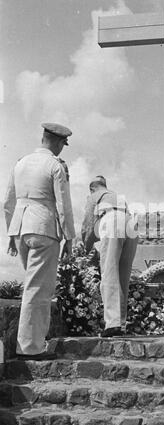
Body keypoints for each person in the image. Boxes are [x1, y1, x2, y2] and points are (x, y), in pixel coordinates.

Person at [4, 123, 76, 360]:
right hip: (44, 229)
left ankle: (31, 343)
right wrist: (69, 237)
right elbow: (63, 206)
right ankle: (30, 348)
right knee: (39, 289)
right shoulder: (55, 165)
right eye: (63, 145)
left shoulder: (21, 162)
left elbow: (7, 203)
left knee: (34, 285)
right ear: (57, 142)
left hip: (21, 228)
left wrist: (12, 233)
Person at [81, 176, 138, 337]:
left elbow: (87, 224)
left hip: (112, 222)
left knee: (109, 273)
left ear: (92, 188)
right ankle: (120, 324)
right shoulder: (116, 196)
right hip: (130, 223)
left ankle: (112, 324)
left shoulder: (94, 196)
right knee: (123, 276)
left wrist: (85, 247)